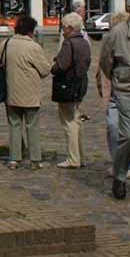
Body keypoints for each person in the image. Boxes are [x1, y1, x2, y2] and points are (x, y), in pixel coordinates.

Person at [2, 14, 52, 169]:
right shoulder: (33, 47)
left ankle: (14, 158)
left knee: (14, 125)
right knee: (32, 126)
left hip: (11, 92)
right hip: (30, 94)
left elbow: (0, 63)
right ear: (31, 31)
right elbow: (45, 70)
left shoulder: (6, 44)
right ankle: (35, 159)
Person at [100, 0, 130, 199]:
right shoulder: (117, 33)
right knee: (128, 136)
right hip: (126, 91)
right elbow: (106, 62)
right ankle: (119, 176)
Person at [51, 11, 92, 169]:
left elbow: (62, 65)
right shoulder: (84, 42)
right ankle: (80, 156)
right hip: (80, 84)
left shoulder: (69, 43)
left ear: (70, 28)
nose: (63, 30)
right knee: (76, 120)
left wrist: (53, 66)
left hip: (68, 85)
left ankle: (73, 158)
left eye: (64, 27)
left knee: (69, 123)